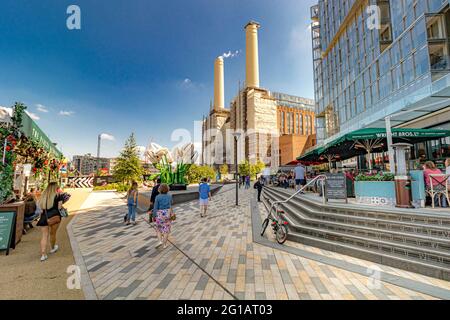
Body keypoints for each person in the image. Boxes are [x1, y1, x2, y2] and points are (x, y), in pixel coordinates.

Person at [36, 182, 67, 262]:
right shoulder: (58, 195)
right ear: (55, 188)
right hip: (54, 216)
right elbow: (59, 207)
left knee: (44, 236)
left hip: (44, 217)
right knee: (53, 233)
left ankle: (43, 254)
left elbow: (40, 208)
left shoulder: (43, 196)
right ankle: (53, 248)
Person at [153, 184, 174, 249]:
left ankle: (160, 241)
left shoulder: (157, 197)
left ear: (160, 189)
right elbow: (171, 203)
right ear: (167, 189)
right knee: (166, 231)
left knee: (158, 229)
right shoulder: (169, 196)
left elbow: (155, 207)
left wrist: (154, 216)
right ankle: (164, 245)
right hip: (167, 214)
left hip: (159, 214)